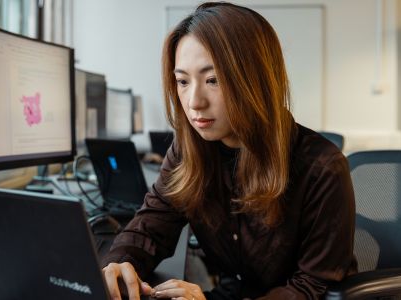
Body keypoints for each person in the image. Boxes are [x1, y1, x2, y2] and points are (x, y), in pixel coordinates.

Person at [100, 2, 357, 300]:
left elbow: (311, 288)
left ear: (255, 81)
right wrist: (119, 263)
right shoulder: (189, 151)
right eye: (182, 81)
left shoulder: (322, 167)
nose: (194, 101)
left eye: (213, 80)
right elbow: (151, 225)